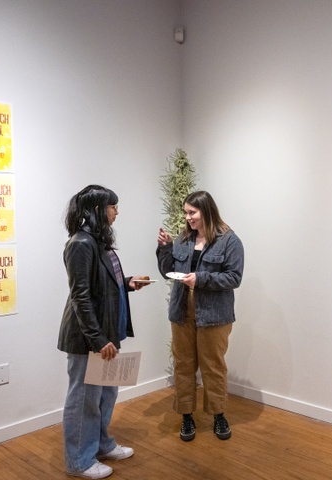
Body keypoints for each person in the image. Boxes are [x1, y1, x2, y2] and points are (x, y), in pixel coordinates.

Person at [58, 185, 151, 479]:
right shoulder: (81, 244)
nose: (117, 211)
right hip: (89, 338)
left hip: (107, 334)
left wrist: (127, 283)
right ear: (97, 208)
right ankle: (80, 462)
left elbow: (103, 283)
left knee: (105, 395)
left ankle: (100, 444)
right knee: (84, 399)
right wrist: (97, 341)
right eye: (113, 206)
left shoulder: (98, 242)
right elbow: (80, 297)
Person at [156, 190, 244, 442]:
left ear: (206, 211)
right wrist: (164, 249)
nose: (188, 218)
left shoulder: (230, 241)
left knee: (213, 367)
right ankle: (186, 416)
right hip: (182, 312)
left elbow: (234, 278)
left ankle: (218, 415)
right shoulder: (183, 239)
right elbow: (168, 272)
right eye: (186, 213)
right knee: (183, 365)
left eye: (192, 212)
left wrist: (201, 278)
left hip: (215, 315)